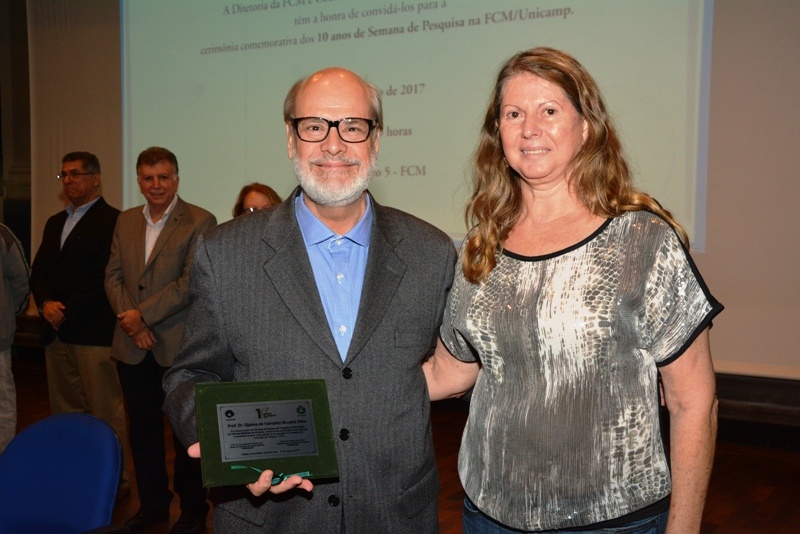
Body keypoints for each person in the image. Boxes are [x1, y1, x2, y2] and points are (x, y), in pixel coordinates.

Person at [423, 47, 723, 534]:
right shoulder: (480, 248)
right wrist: (343, 386)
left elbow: (694, 402)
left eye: (549, 111)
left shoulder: (641, 240)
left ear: (586, 128)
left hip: (612, 521)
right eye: (513, 114)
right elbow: (451, 371)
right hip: (489, 516)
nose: (529, 129)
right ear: (497, 134)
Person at [162, 67, 456, 533]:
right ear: (290, 138)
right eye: (314, 126)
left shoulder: (432, 253)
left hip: (394, 515)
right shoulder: (224, 252)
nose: (333, 144)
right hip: (270, 518)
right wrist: (225, 449)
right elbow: (191, 373)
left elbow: (451, 366)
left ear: (375, 140)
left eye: (353, 127)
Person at [105, 146, 216, 534]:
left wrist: (143, 315)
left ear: (177, 179)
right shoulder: (125, 221)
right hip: (133, 346)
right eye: (149, 178)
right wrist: (132, 323)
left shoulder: (200, 221)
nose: (156, 185)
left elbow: (190, 284)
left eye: (164, 177)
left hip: (177, 348)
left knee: (186, 436)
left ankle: (192, 510)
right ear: (139, 181)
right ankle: (153, 505)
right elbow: (113, 277)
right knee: (143, 432)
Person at [29, 152, 131, 494]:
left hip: (92, 332)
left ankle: (114, 480)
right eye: (63, 175)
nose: (68, 180)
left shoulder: (114, 221)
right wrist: (45, 305)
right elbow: (39, 270)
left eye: (75, 174)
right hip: (55, 332)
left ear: (96, 178)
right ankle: (76, 474)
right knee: (65, 411)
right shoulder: (55, 221)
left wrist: (65, 310)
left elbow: (104, 277)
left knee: (104, 410)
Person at [0, 223, 29, 453]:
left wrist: (7, 315)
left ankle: (4, 464)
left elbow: (22, 282)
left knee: (2, 408)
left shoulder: (2, 235)